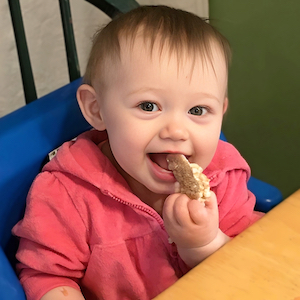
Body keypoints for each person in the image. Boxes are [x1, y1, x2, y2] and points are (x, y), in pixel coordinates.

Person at [12, 5, 263, 300]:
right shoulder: (67, 193)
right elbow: (48, 276)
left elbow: (253, 267)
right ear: (97, 109)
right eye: (148, 106)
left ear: (220, 113)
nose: (176, 131)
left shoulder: (224, 177)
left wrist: (204, 244)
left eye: (197, 110)